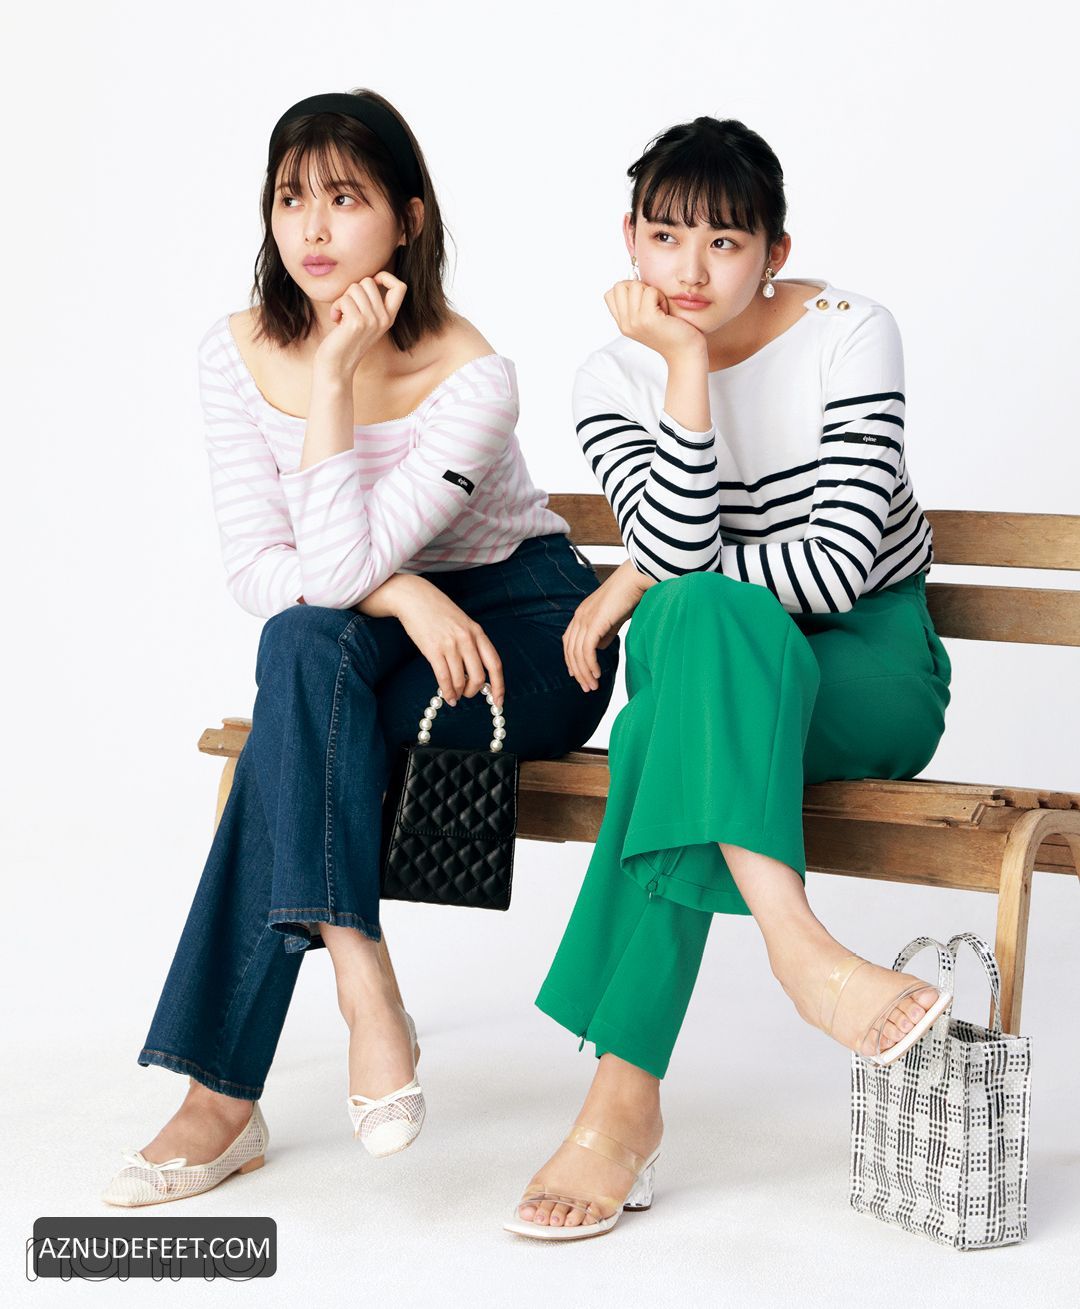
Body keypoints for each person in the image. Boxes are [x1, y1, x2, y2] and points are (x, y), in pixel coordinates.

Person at [101, 88, 619, 1207]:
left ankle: (218, 1103)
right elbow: (263, 570)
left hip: (524, 634)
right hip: (374, 629)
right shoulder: (234, 352)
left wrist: (336, 380)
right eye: (291, 199)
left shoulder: (473, 375)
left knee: (296, 720)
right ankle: (363, 975)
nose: (313, 228)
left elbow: (327, 569)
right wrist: (405, 595)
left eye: (345, 198)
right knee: (301, 647)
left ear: (410, 219)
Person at [503, 116, 954, 1241]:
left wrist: (641, 577)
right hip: (720, 670)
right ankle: (804, 951)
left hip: (866, 665)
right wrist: (686, 368)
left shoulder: (852, 334)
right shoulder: (614, 376)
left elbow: (838, 565)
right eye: (665, 237)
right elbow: (685, 553)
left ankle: (622, 1106)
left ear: (774, 252)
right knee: (699, 634)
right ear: (629, 239)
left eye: (724, 242)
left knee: (676, 699)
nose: (690, 270)